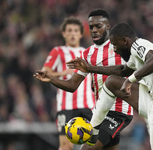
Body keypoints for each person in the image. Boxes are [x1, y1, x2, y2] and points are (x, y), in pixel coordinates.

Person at [67, 22, 153, 149]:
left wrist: (130, 80)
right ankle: (94, 130)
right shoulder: (135, 53)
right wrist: (90, 68)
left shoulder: (139, 44)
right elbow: (122, 70)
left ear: (125, 41)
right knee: (112, 82)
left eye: (115, 45)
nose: (115, 50)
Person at [34, 9, 133, 150]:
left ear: (108, 26)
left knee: (86, 148)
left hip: (118, 111)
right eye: (91, 27)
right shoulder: (87, 54)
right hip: (99, 113)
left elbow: (130, 70)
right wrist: (51, 79)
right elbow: (72, 84)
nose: (94, 30)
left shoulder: (120, 48)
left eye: (98, 26)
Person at [41, 16, 95, 150]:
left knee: (94, 145)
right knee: (66, 146)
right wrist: (63, 73)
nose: (72, 33)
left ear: (81, 34)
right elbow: (44, 72)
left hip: (89, 105)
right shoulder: (58, 51)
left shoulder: (87, 53)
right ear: (64, 33)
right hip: (66, 106)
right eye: (69, 30)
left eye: (76, 30)